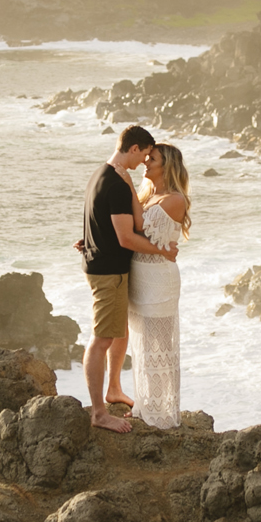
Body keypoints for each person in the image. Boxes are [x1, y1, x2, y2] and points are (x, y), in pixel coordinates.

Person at [75, 125, 170, 433]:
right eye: (144, 153)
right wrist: (163, 250)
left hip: (104, 266)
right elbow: (127, 237)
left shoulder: (102, 175)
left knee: (118, 332)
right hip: (108, 273)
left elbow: (98, 220)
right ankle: (99, 413)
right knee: (101, 339)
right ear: (133, 148)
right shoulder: (115, 184)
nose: (144, 160)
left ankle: (114, 388)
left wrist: (89, 241)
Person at [129, 143, 191, 430]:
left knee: (161, 347)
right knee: (141, 344)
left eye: (151, 159)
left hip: (160, 281)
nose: (145, 162)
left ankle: (164, 414)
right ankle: (145, 405)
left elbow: (138, 229)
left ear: (167, 166)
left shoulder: (175, 199)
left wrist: (124, 183)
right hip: (138, 278)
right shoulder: (146, 196)